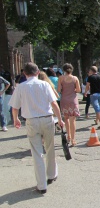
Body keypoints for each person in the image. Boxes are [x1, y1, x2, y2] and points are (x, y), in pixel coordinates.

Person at [8, 62, 64, 194]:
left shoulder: (21, 87)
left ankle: (41, 184)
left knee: (37, 153)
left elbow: (15, 107)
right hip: (47, 119)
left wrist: (16, 119)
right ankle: (52, 174)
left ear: (24, 73)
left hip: (31, 121)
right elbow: (54, 103)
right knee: (50, 148)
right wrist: (60, 119)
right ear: (38, 72)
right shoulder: (44, 84)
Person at [58, 63, 81, 146]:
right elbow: (78, 90)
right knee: (72, 120)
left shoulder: (61, 78)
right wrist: (73, 89)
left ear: (63, 70)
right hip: (73, 100)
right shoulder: (75, 78)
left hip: (64, 100)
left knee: (66, 119)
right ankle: (73, 139)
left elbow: (59, 89)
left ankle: (68, 136)